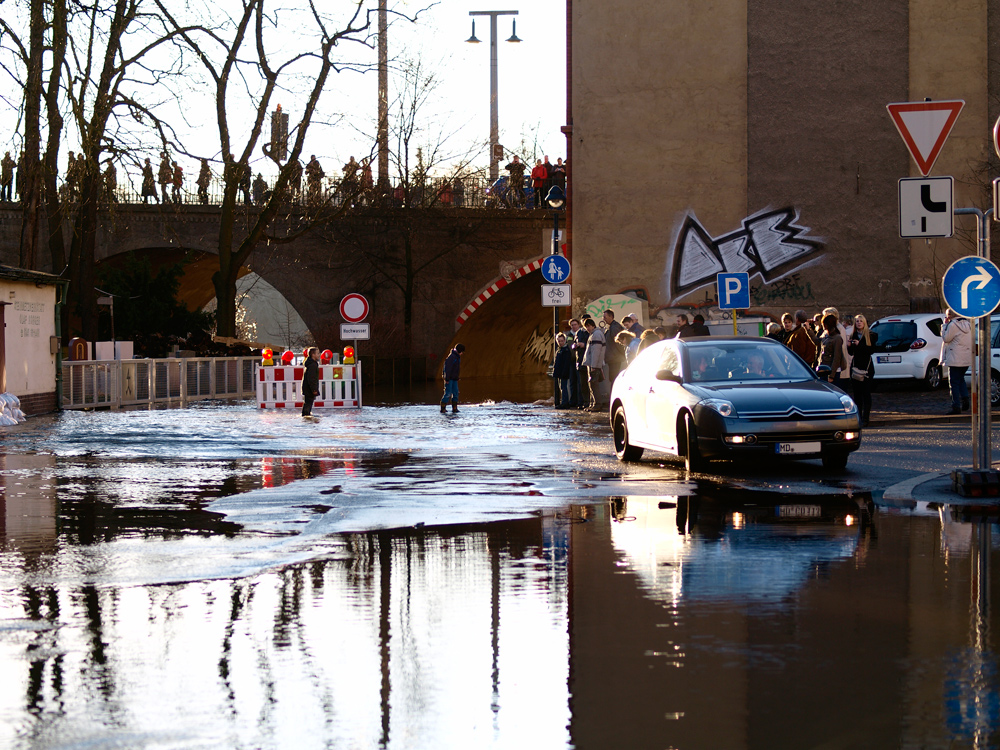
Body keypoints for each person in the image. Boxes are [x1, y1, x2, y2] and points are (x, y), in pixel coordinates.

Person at [847, 313, 878, 426]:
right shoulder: (853, 335)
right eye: (857, 321)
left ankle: (866, 418)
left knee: (866, 394)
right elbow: (851, 353)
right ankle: (858, 417)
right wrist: (849, 346)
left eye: (860, 321)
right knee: (857, 395)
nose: (859, 323)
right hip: (856, 367)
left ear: (864, 322)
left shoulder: (871, 335)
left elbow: (871, 350)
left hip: (867, 368)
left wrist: (859, 344)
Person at [940, 308, 972, 414]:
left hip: (955, 358)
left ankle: (956, 406)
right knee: (961, 379)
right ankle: (965, 398)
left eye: (948, 315)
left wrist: (944, 325)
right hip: (965, 358)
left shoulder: (953, 325)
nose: (947, 317)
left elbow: (946, 338)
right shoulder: (967, 324)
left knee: (953, 382)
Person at [581, 318, 607, 411]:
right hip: (593, 363)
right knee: (592, 385)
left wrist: (593, 366)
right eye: (586, 326)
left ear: (592, 325)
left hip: (593, 364)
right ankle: (593, 404)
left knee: (594, 385)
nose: (587, 328)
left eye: (588, 326)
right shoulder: (595, 334)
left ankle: (597, 404)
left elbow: (596, 352)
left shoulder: (595, 335)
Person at [818, 313, 846, 386]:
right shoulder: (826, 335)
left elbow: (837, 357)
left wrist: (832, 375)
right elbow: (817, 342)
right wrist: (808, 330)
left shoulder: (837, 338)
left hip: (832, 371)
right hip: (824, 368)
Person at [568, 317, 589, 408]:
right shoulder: (569, 335)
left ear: (579, 325)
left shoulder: (582, 333)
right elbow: (569, 346)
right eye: (572, 325)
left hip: (580, 360)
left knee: (581, 382)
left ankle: (582, 401)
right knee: (573, 382)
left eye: (575, 324)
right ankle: (573, 401)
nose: (574, 326)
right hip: (572, 361)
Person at [440, 343, 465, 413]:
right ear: (459, 351)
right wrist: (446, 378)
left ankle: (454, 408)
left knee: (456, 393)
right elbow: (447, 369)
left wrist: (457, 377)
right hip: (449, 379)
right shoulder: (451, 357)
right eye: (462, 352)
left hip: (454, 378)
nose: (462, 353)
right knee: (448, 393)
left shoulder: (456, 357)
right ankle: (443, 408)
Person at [553, 333, 575, 408]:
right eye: (559, 341)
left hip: (564, 373)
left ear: (565, 341)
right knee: (562, 387)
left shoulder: (566, 350)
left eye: (562, 341)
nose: (560, 343)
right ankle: (564, 402)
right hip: (560, 372)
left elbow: (566, 363)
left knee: (564, 387)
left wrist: (564, 372)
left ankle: (565, 402)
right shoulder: (560, 350)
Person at [602, 309, 625, 382]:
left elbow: (618, 342)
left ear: (611, 316)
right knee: (612, 378)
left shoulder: (614, 327)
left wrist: (623, 353)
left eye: (605, 317)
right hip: (613, 358)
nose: (603, 319)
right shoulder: (611, 327)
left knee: (614, 379)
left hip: (615, 358)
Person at [301, 347, 320, 417]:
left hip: (307, 388)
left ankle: (306, 416)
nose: (319, 355)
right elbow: (312, 378)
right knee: (308, 405)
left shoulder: (310, 364)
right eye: (317, 353)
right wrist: (314, 389)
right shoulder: (313, 365)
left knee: (307, 403)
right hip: (309, 389)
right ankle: (306, 418)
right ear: (313, 354)